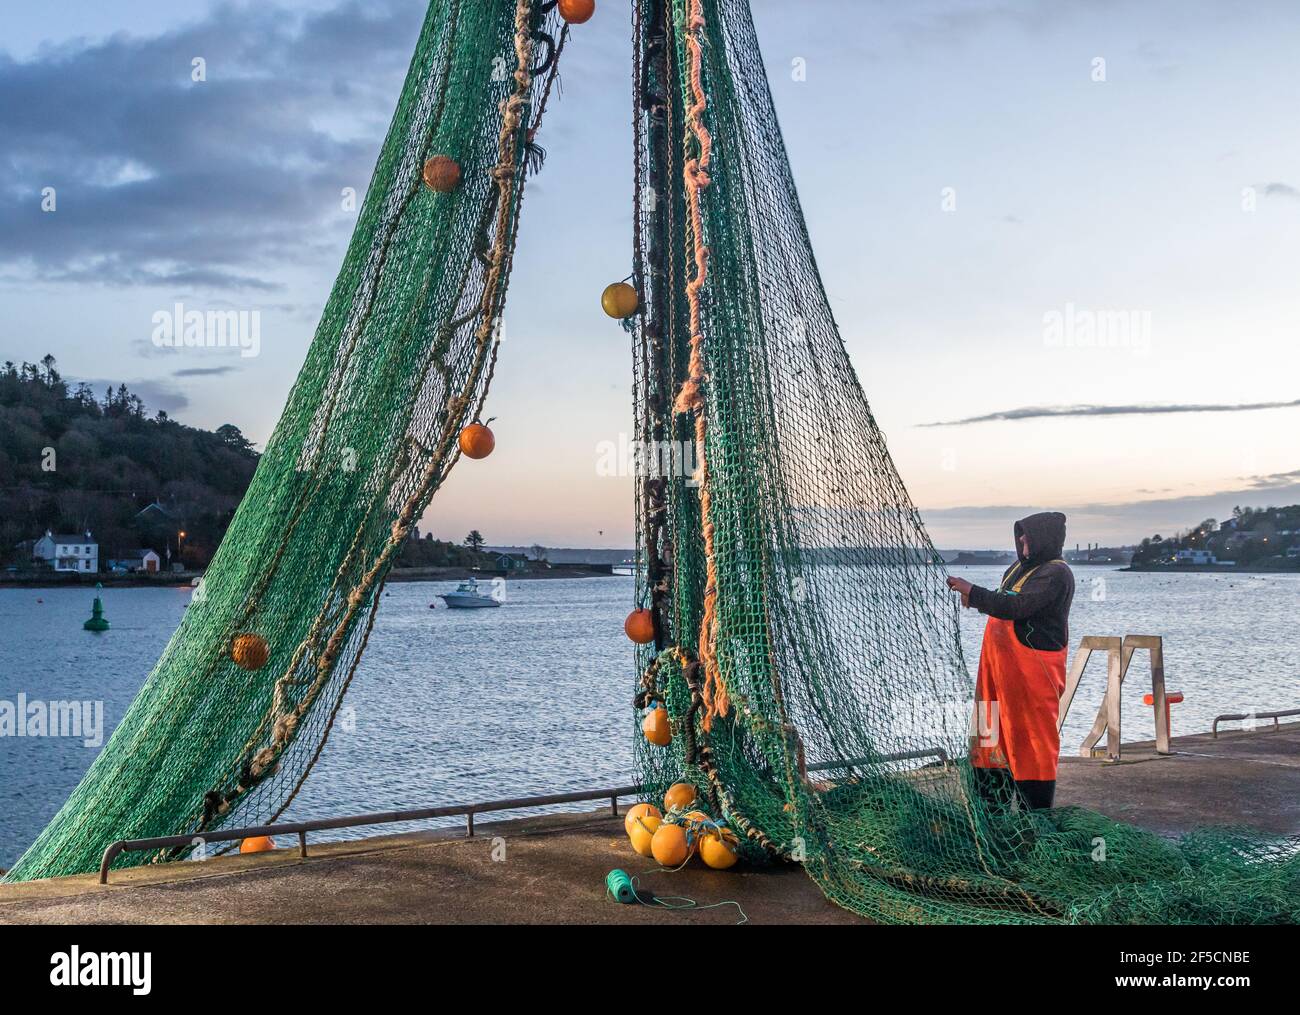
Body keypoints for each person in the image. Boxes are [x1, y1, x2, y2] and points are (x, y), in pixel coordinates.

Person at [946, 512, 1074, 811]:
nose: (1021, 541)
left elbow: (1018, 606)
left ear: (1045, 539)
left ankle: (1036, 816)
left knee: (1031, 741)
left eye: (1027, 537)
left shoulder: (1056, 574)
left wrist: (973, 592)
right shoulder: (1018, 568)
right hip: (995, 672)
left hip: (1032, 674)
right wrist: (976, 600)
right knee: (987, 736)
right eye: (1020, 536)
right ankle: (993, 810)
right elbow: (1003, 602)